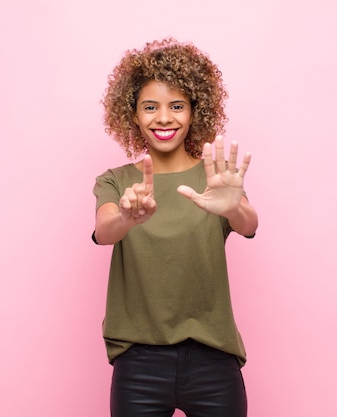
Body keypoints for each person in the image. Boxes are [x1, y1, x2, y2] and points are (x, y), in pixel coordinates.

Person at [92, 38, 258, 417]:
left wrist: (234, 208)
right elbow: (104, 231)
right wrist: (125, 218)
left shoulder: (215, 176)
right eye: (150, 107)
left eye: (176, 106)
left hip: (214, 361)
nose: (163, 118)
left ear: (194, 112)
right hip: (139, 365)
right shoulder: (115, 181)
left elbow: (249, 222)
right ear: (132, 114)